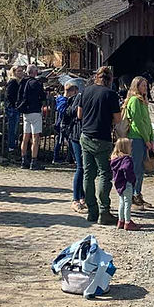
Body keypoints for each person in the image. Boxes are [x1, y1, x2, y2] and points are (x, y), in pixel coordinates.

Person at [78, 66, 121, 225]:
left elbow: (79, 114)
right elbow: (117, 119)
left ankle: (92, 211)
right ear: (110, 80)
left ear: (97, 77)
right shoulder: (110, 94)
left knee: (88, 174)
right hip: (102, 138)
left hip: (86, 136)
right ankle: (104, 211)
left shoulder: (86, 90)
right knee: (104, 174)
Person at [124, 76, 154, 210]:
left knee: (141, 169)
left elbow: (147, 121)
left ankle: (138, 193)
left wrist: (151, 137)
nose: (145, 88)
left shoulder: (143, 101)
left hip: (144, 138)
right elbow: (138, 123)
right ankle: (132, 196)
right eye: (142, 86)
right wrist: (146, 139)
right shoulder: (135, 101)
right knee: (136, 169)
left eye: (145, 86)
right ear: (136, 86)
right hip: (136, 138)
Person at [62, 83, 86, 213]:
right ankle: (75, 199)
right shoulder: (77, 99)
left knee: (83, 168)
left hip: (82, 135)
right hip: (75, 135)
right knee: (80, 167)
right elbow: (71, 115)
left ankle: (82, 197)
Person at [19, 65, 47, 170]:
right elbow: (42, 96)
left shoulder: (23, 82)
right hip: (35, 111)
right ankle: (33, 161)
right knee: (35, 137)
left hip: (25, 112)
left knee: (25, 137)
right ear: (34, 72)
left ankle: (23, 160)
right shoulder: (36, 83)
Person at [110, 138, 141, 230]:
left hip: (118, 184)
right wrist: (131, 179)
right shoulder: (126, 159)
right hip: (126, 183)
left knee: (121, 202)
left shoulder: (115, 159)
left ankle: (121, 221)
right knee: (128, 203)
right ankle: (128, 222)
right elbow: (127, 169)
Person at [4, 66, 24, 153]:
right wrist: (15, 104)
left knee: (15, 127)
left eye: (22, 71)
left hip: (15, 107)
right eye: (19, 71)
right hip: (12, 108)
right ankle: (11, 146)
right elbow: (9, 95)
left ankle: (13, 144)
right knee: (12, 128)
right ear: (14, 72)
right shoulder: (13, 81)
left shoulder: (19, 81)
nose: (21, 73)